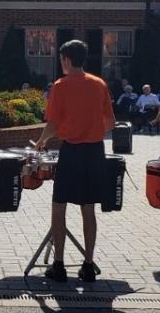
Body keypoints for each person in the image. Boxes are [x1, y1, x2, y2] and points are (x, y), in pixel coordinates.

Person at [34, 39, 115, 283]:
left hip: (71, 152)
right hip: (94, 152)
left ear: (67, 60)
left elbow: (53, 124)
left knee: (59, 207)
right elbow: (110, 122)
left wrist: (42, 141)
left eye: (61, 60)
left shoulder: (60, 86)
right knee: (88, 209)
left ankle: (58, 265)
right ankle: (88, 265)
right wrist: (91, 128)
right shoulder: (99, 84)